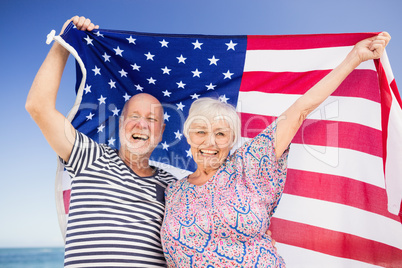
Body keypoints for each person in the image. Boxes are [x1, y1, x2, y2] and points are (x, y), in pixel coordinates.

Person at [160, 32, 391, 267]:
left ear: (231, 141)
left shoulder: (250, 163)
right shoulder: (172, 192)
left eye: (220, 134)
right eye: (201, 132)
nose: (210, 142)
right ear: (188, 137)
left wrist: (354, 57)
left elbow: (300, 110)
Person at [26, 16, 177, 267]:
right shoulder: (90, 156)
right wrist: (64, 42)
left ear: (160, 132)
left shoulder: (173, 186)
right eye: (134, 117)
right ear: (120, 125)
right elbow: (38, 107)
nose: (141, 124)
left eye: (151, 119)